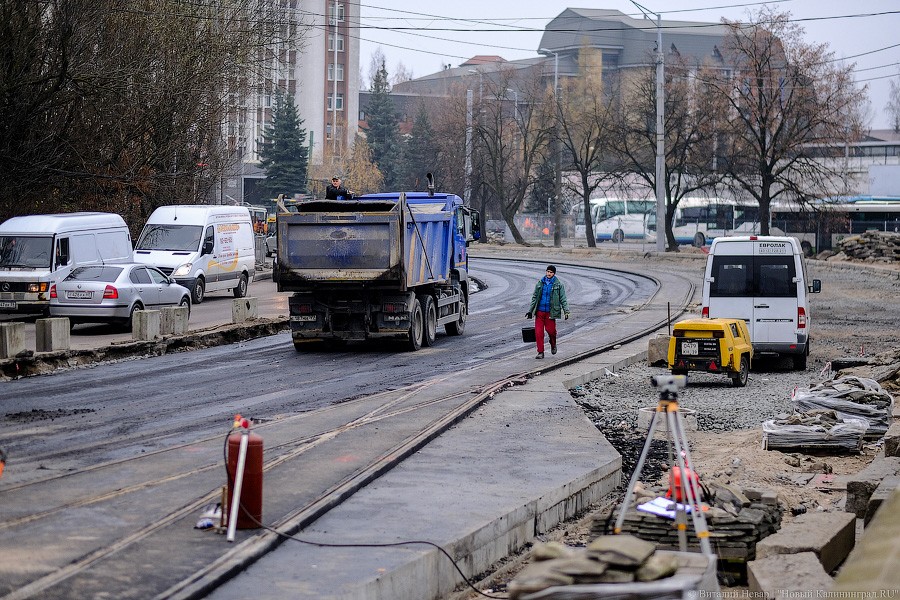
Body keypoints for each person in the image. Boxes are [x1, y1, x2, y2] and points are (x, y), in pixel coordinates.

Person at [526, 265, 570, 359]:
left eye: (551, 272)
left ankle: (553, 343)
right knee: (538, 333)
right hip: (540, 312)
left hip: (551, 313)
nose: (549, 273)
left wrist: (566, 311)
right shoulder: (540, 283)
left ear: (554, 274)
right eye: (548, 271)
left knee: (551, 331)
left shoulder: (558, 285)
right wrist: (530, 311)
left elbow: (563, 299)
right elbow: (534, 297)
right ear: (546, 272)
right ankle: (540, 352)